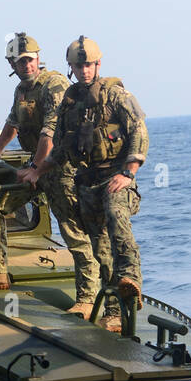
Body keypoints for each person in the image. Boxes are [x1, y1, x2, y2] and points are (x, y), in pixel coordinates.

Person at [0, 33, 98, 306]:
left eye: (30, 60)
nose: (26, 65)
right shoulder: (22, 90)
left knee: (73, 232)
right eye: (19, 61)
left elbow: (50, 132)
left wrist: (36, 169)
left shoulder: (54, 85)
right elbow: (13, 122)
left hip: (60, 169)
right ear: (11, 63)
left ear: (38, 58)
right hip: (35, 166)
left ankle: (88, 298)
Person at [39, 36, 147, 328]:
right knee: (100, 250)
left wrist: (129, 172)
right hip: (87, 181)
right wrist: (38, 170)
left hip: (116, 178)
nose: (84, 70)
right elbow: (61, 147)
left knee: (117, 218)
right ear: (71, 67)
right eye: (78, 65)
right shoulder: (70, 102)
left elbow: (138, 130)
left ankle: (132, 279)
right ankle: (112, 311)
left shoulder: (116, 96)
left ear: (98, 64)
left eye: (88, 65)